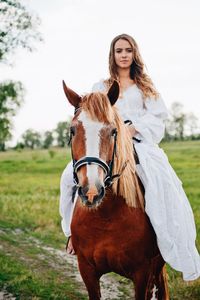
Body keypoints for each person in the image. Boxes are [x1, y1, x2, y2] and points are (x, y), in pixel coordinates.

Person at [60, 33, 200, 281]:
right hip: (104, 147)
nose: (123, 55)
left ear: (134, 54)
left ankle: (163, 237)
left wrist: (133, 127)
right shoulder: (100, 87)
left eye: (128, 50)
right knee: (68, 177)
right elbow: (90, 117)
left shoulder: (146, 87)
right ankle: (73, 234)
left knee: (159, 181)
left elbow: (157, 121)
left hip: (138, 144)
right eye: (118, 51)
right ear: (112, 55)